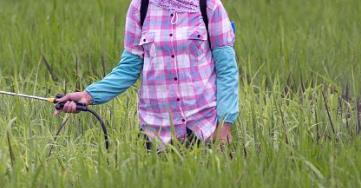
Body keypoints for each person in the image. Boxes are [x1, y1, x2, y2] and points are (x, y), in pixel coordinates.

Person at [56, 0, 239, 147]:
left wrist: (224, 125)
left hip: (204, 132)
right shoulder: (140, 7)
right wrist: (88, 95)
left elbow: (227, 70)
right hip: (156, 137)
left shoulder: (209, 6)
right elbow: (128, 69)